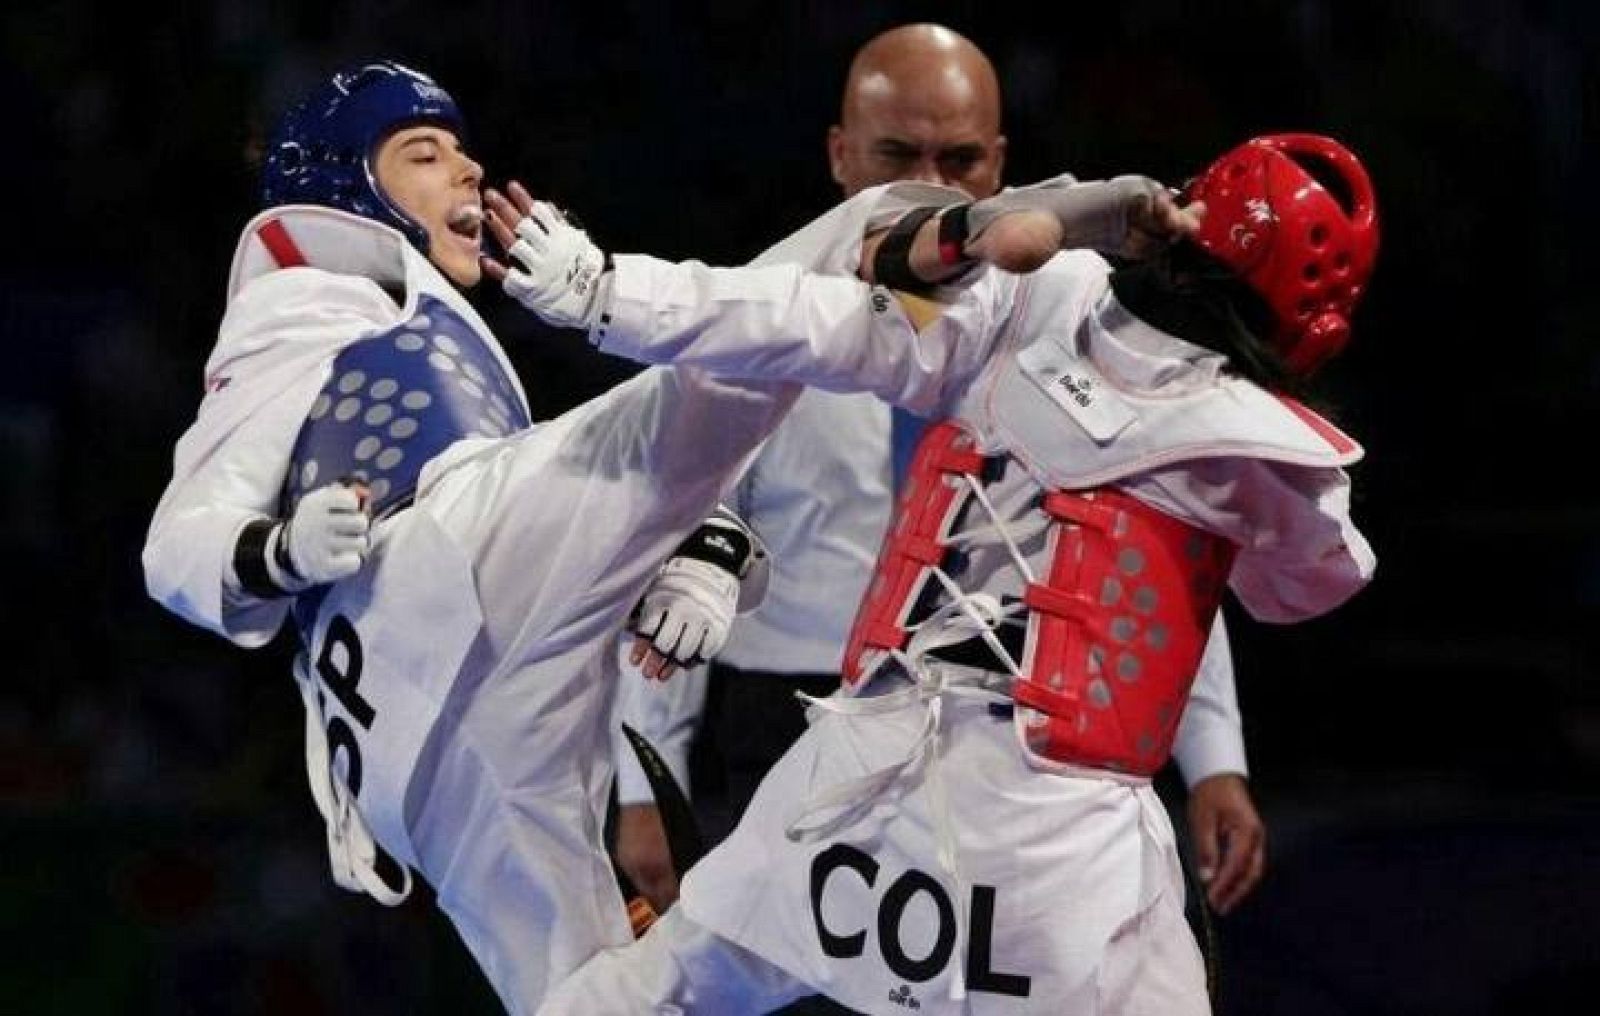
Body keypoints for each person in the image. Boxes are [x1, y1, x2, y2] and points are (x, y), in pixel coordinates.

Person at [499, 132, 1379, 1014]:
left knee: (655, 994)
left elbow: (800, 313)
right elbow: (1294, 585)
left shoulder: (1031, 294)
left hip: (854, 775)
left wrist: (608, 294)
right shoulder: (1260, 456)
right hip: (1048, 838)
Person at [142, 60, 804, 1014]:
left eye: (463, 150)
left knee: (598, 996)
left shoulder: (422, 342)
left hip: (417, 741)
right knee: (733, 366)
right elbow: (176, 543)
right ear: (347, 187)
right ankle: (887, 247)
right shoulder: (303, 295)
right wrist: (279, 549)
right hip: (428, 588)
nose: (469, 171)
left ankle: (814, 927)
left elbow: (566, 502)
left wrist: (706, 555)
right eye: (425, 152)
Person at [613, 23, 1267, 925]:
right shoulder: (762, 318)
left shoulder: (1074, 314)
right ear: (839, 156)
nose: (930, 183)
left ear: (1000, 165)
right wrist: (644, 780)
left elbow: (1155, 533)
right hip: (782, 718)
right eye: (896, 155)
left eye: (959, 159)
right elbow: (675, 543)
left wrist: (1214, 755)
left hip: (1006, 726)